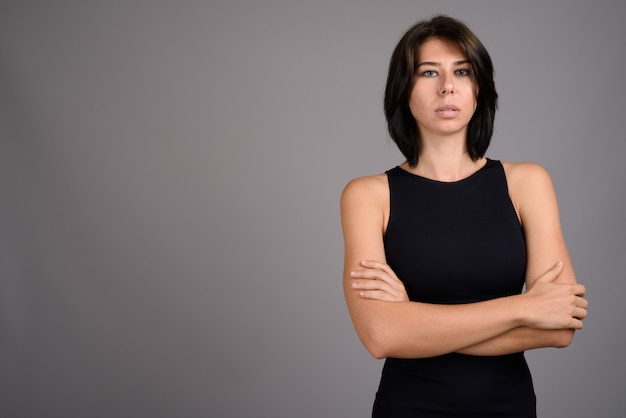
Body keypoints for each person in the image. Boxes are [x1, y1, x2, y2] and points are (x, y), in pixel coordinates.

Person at [340, 15, 588, 417]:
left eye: (462, 71)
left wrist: (413, 322)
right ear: (403, 89)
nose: (447, 86)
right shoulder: (368, 195)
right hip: (409, 406)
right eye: (428, 73)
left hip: (508, 406)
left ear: (479, 89)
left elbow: (560, 326)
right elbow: (380, 335)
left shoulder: (526, 182)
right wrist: (522, 308)